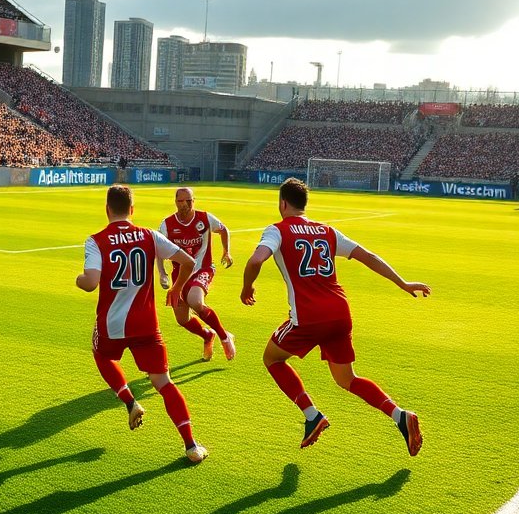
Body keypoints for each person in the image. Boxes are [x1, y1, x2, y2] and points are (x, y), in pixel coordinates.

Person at [240, 178, 428, 456]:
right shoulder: (327, 231)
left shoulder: (277, 230)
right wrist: (403, 283)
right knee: (346, 379)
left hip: (308, 317)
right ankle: (400, 416)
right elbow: (367, 255)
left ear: (282, 203)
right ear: (305, 204)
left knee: (272, 358)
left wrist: (247, 287)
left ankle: (312, 415)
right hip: (340, 314)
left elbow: (256, 260)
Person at [76, 185, 209, 464]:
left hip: (112, 324)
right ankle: (191, 445)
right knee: (164, 383)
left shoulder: (96, 240)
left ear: (107, 209)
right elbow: (187, 261)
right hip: (146, 324)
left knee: (100, 354)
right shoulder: (149, 235)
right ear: (132, 210)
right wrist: (176, 288)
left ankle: (130, 401)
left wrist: (78, 279)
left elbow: (90, 283)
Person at [158, 187, 236, 362]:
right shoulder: (167, 225)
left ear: (194, 200)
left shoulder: (205, 218)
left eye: (189, 200)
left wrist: (226, 252)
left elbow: (223, 230)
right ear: (175, 201)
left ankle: (225, 336)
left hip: (203, 268)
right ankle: (207, 335)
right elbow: (158, 250)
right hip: (180, 275)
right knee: (182, 319)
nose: (185, 204)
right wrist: (162, 272)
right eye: (181, 201)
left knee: (196, 301)